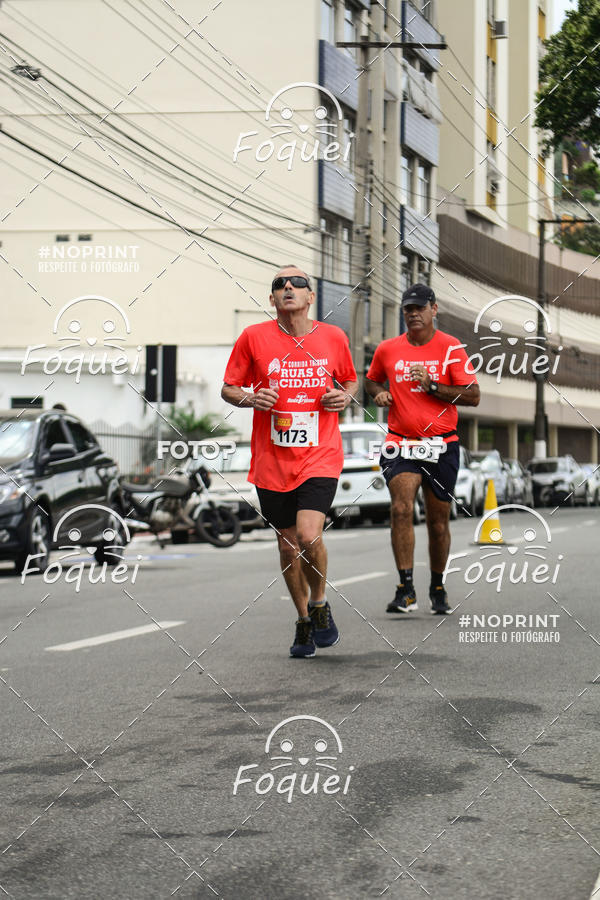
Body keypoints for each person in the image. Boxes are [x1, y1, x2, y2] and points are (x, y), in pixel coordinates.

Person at [221, 265, 358, 657]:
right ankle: (302, 621)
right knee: (286, 548)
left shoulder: (333, 337)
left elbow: (350, 379)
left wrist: (345, 396)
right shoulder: (253, 338)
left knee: (308, 535)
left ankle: (319, 603)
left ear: (310, 297)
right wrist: (250, 398)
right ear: (272, 300)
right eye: (279, 284)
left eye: (297, 283)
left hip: (320, 455)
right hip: (271, 461)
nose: (288, 288)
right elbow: (229, 388)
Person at [365, 283, 480, 615]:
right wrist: (378, 393)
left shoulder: (451, 349)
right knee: (401, 509)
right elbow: (372, 378)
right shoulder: (388, 349)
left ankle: (438, 586)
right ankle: (406, 588)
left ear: (434, 309)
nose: (413, 314)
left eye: (419, 308)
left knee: (437, 522)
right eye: (407, 309)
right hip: (401, 441)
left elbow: (473, 395)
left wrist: (432, 387)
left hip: (442, 444)